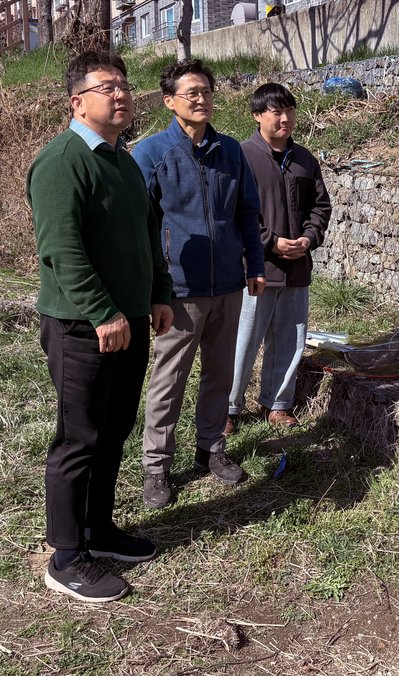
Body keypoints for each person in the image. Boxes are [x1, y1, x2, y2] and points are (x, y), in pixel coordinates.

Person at [27, 50, 174, 603]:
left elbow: (147, 234)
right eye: (107, 87)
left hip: (128, 320)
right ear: (77, 102)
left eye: (124, 86)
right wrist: (102, 312)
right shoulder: (62, 161)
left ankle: (99, 529)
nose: (121, 94)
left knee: (113, 430)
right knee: (80, 437)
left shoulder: (123, 161)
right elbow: (61, 249)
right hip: (81, 324)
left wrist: (157, 295)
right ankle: (66, 555)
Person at [133, 60, 265, 509]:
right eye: (191, 92)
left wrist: (254, 265)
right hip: (178, 290)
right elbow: (141, 226)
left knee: (219, 373)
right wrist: (154, 288)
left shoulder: (231, 151)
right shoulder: (151, 154)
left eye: (206, 91)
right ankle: (156, 467)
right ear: (169, 101)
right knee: (169, 378)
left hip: (227, 283)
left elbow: (247, 213)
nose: (201, 98)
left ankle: (211, 449)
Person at [229, 83, 331, 431]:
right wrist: (270, 243)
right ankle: (228, 408)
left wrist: (308, 238)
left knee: (290, 340)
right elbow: (234, 211)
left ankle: (277, 405)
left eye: (290, 110)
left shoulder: (305, 159)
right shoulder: (241, 156)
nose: (285, 118)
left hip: (296, 267)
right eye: (276, 111)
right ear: (257, 115)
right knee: (243, 341)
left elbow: (320, 206)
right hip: (254, 268)